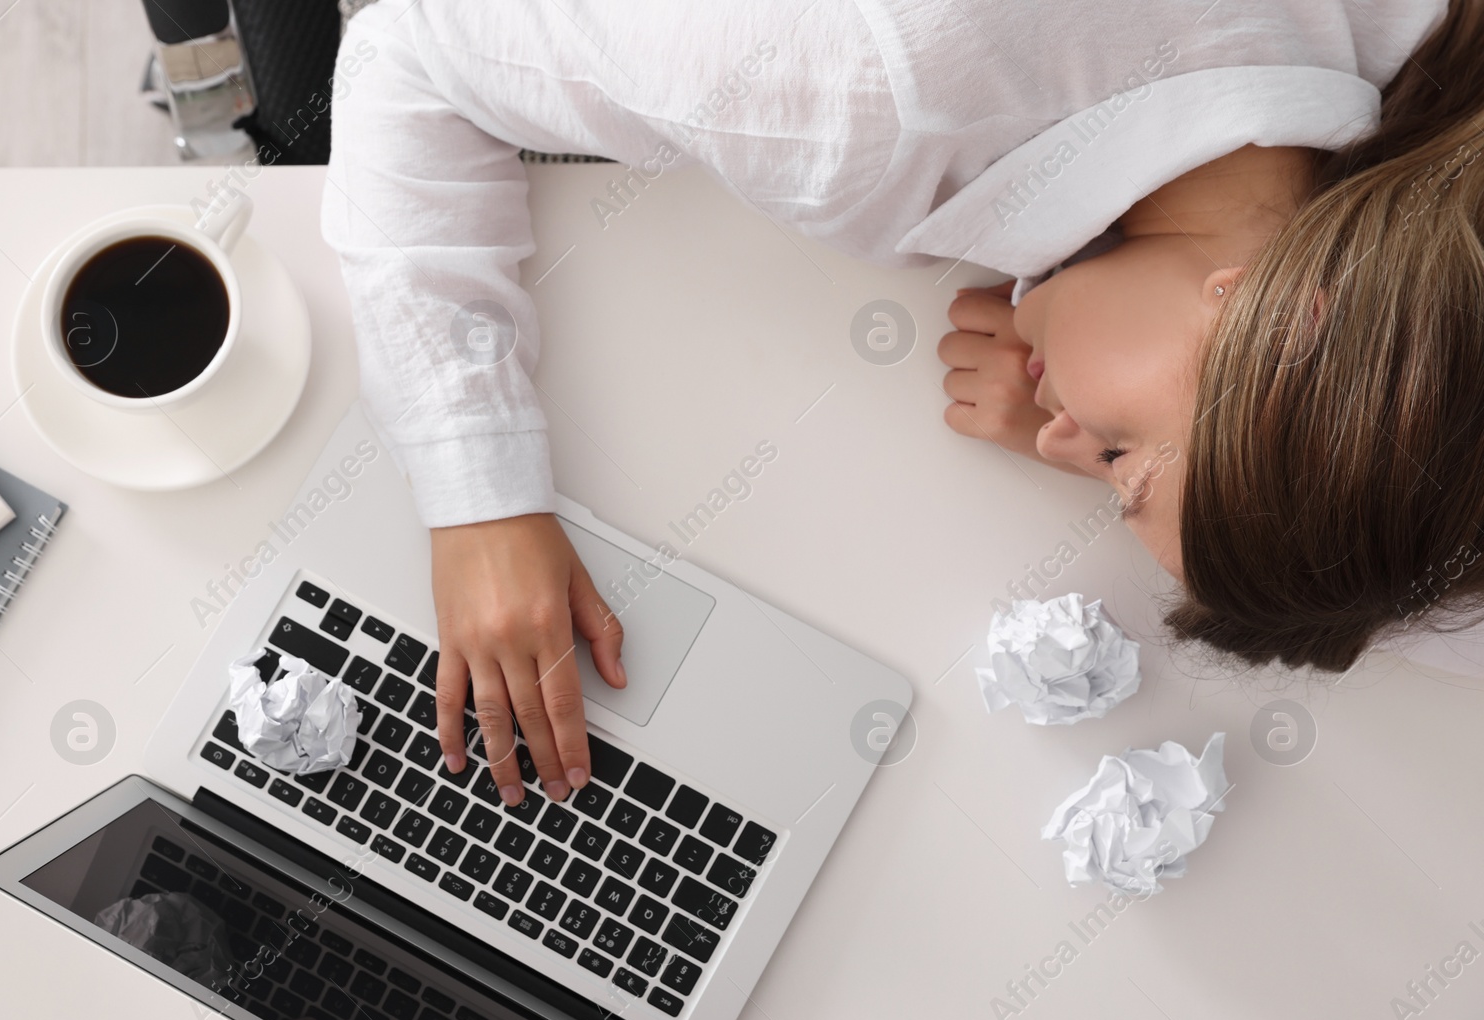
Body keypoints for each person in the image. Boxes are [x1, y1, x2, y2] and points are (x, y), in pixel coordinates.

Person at [323, 0, 1474, 797]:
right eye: (1120, 452)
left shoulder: (1424, 152)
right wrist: (479, 496)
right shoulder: (855, 106)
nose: (1066, 437)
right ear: (1263, 318)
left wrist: (1135, 442)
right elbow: (404, 55)